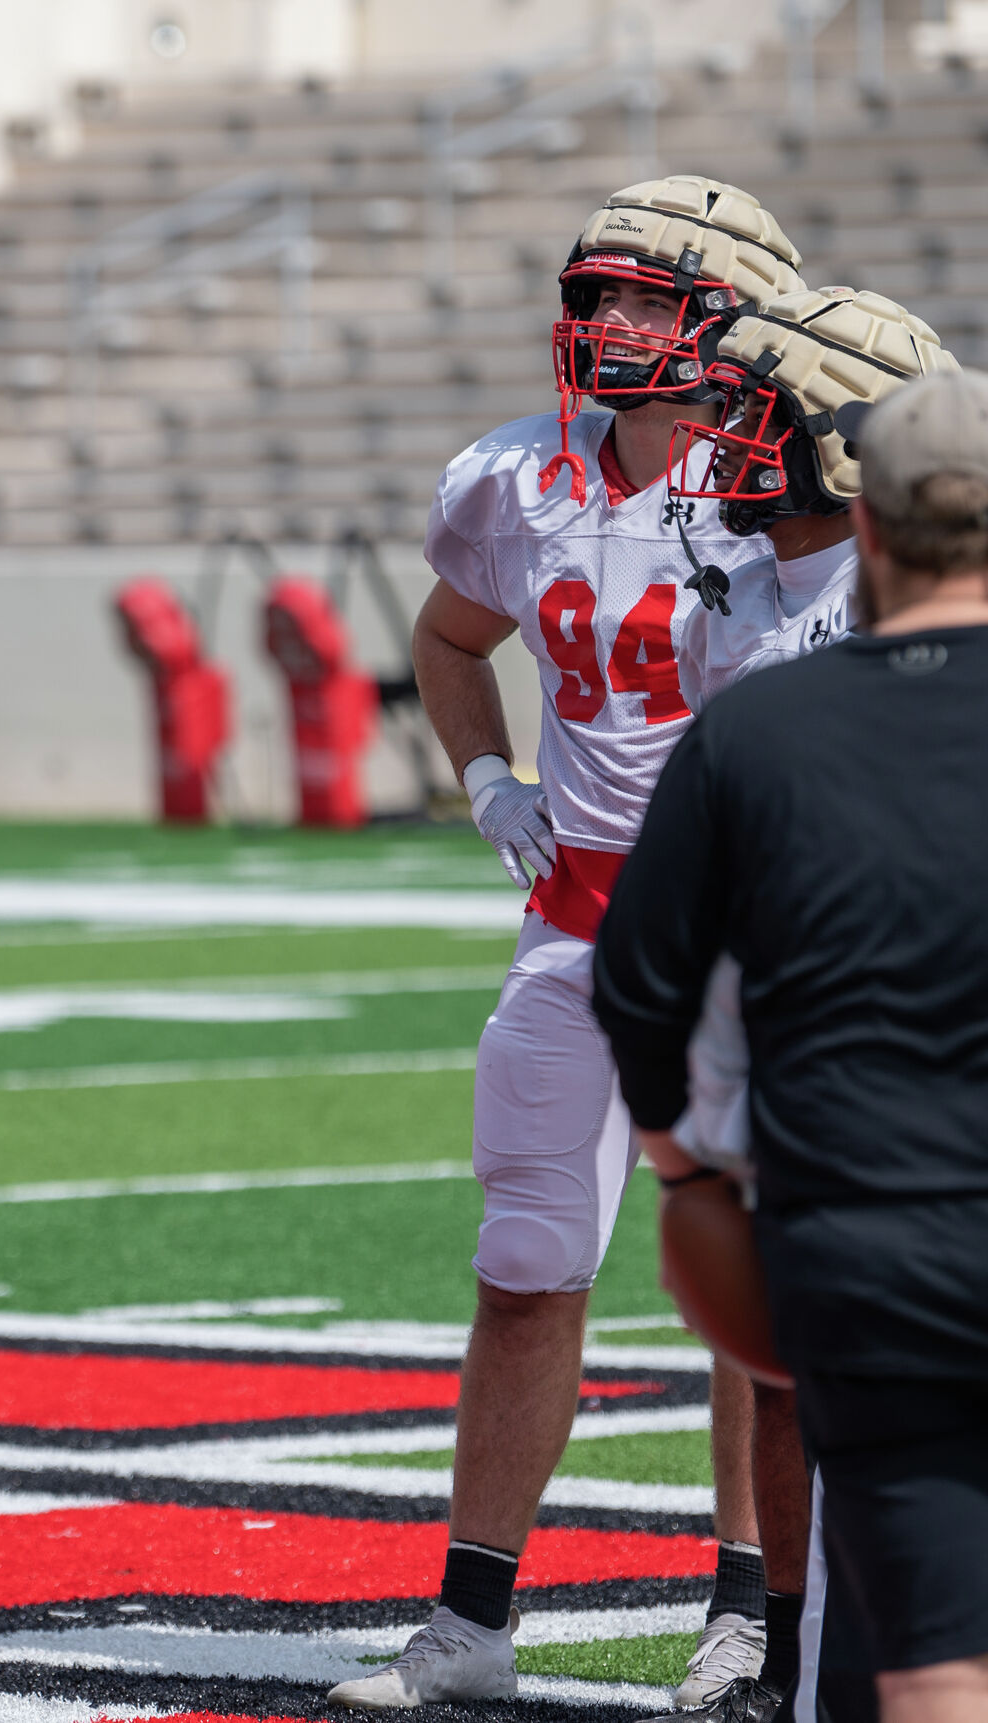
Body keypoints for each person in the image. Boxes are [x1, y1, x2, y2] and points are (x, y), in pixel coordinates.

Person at [328, 177, 806, 1712]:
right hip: (581, 918)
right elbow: (448, 633)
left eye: (645, 297)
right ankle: (470, 1621)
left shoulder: (792, 484)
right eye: (595, 295)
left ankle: (754, 1608)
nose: (608, 322)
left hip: (751, 928)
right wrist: (487, 777)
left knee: (751, 1283)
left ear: (729, 312)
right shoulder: (517, 479)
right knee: (527, 1261)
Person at [593, 366, 988, 1723]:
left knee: (931, 1656)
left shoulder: (761, 725)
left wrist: (695, 1187)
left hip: (874, 1243)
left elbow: (640, 988)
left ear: (867, 526)